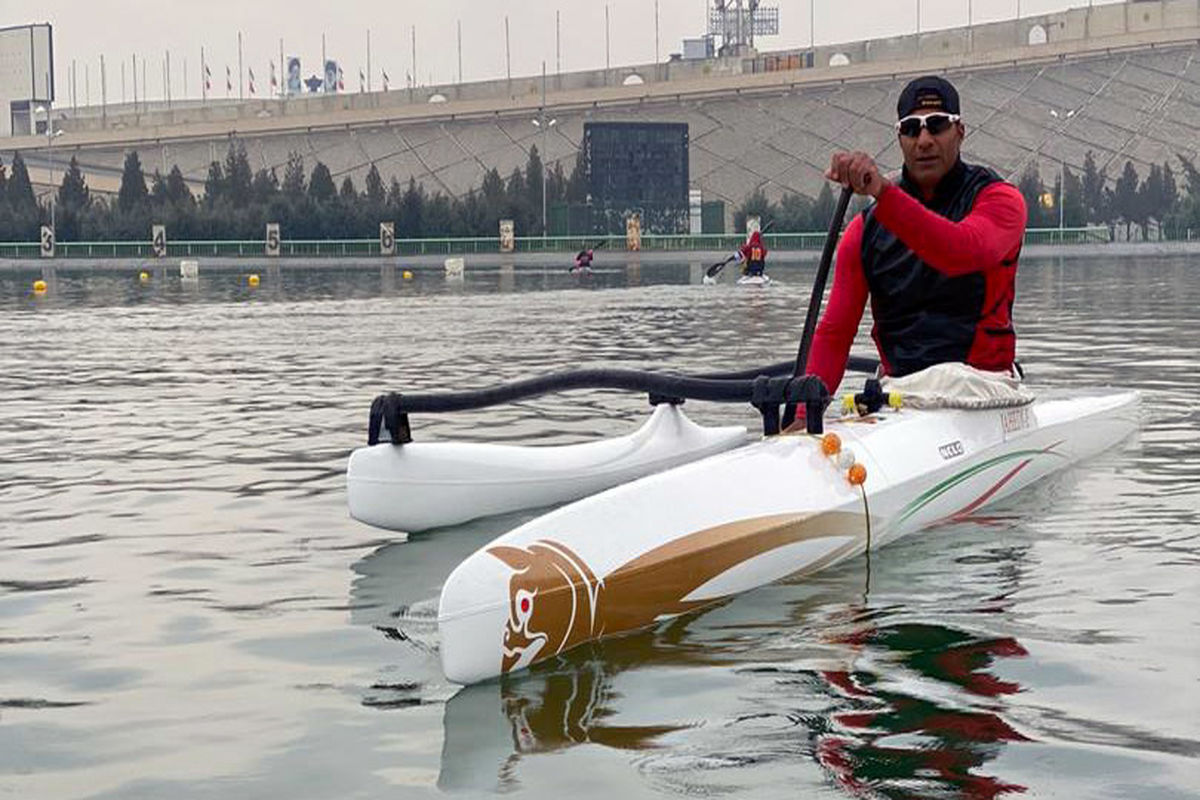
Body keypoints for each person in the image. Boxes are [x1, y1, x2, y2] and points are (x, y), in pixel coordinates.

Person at [806, 75, 1027, 395]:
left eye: (937, 125)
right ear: (900, 138)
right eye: (911, 129)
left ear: (960, 132)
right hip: (901, 395)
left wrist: (881, 191)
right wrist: (800, 416)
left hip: (983, 388)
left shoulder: (1000, 200)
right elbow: (834, 334)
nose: (923, 140)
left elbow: (959, 252)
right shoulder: (863, 230)